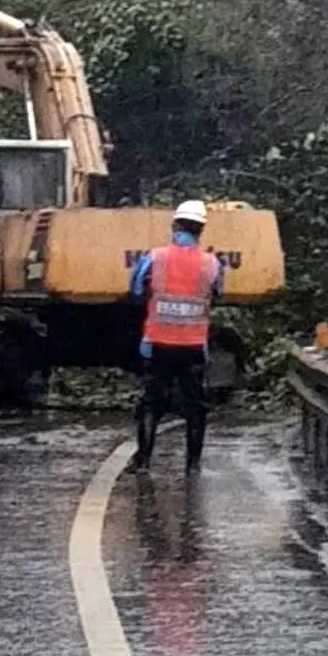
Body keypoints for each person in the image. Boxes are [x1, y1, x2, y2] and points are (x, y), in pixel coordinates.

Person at [129, 199, 223, 472]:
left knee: (150, 401)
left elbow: (135, 290)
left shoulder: (154, 258)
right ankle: (193, 465)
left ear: (175, 226)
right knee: (195, 404)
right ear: (201, 230)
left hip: (158, 343)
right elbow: (218, 293)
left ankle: (144, 462)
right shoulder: (211, 264)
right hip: (194, 345)